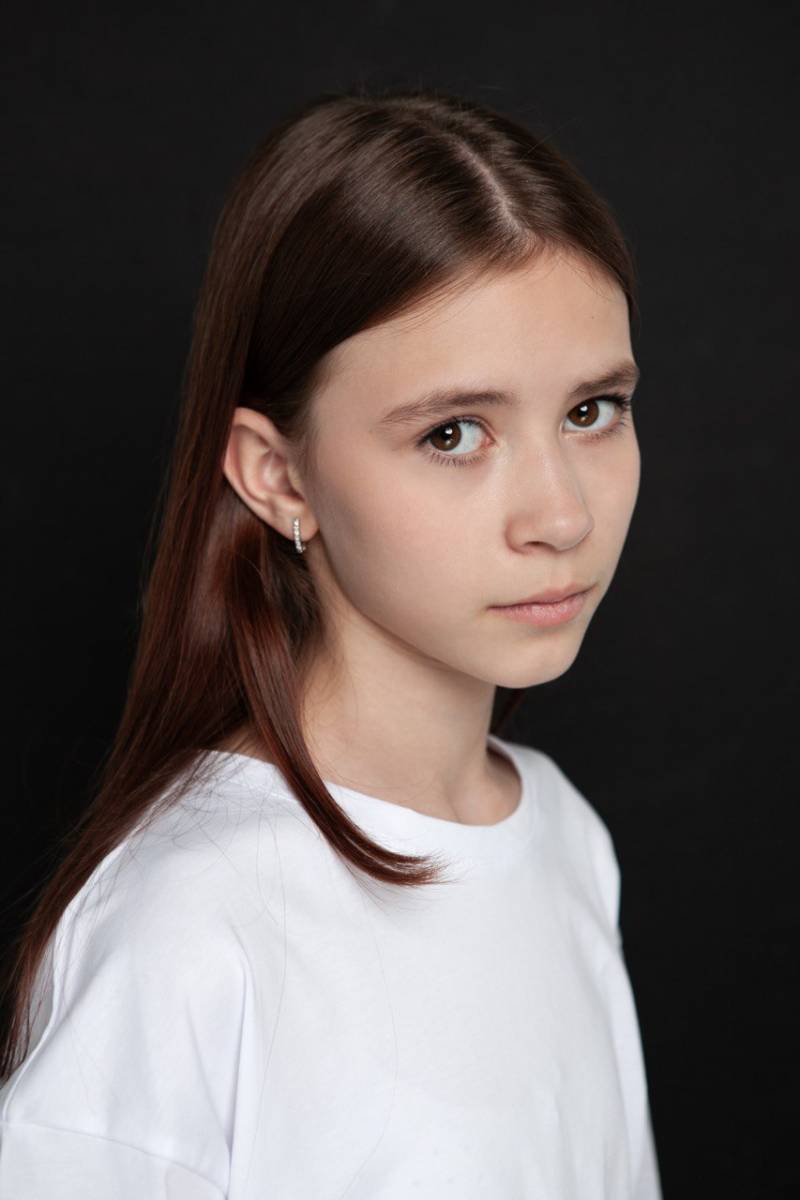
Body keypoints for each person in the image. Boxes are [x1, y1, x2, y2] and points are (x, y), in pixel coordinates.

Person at [0, 86, 662, 1198]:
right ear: (277, 475)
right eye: (454, 433)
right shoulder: (190, 920)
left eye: (591, 411)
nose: (560, 516)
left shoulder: (563, 840)